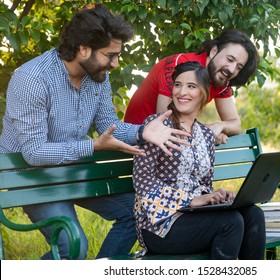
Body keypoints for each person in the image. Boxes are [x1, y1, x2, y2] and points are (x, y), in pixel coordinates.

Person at [0, 4, 190, 260]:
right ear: (83, 48)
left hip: (71, 169)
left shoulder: (96, 74)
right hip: (31, 177)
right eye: (110, 55)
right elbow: (34, 152)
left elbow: (108, 125)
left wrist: (143, 131)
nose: (115, 63)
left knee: (139, 211)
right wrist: (92, 147)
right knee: (73, 248)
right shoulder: (32, 79)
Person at [133, 61, 266, 260]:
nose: (181, 92)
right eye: (178, 85)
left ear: (204, 94)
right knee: (231, 222)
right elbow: (142, 181)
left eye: (191, 86)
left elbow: (203, 184)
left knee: (253, 214)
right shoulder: (156, 126)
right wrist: (190, 200)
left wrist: (216, 197)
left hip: (195, 216)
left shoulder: (205, 134)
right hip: (159, 224)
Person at [124, 29, 259, 145]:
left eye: (238, 67)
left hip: (174, 145)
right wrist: (207, 134)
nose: (231, 69)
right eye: (230, 59)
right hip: (139, 140)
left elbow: (235, 124)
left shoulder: (221, 78)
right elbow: (167, 121)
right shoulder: (178, 67)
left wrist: (218, 126)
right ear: (213, 52)